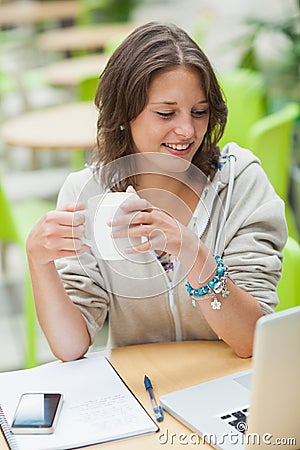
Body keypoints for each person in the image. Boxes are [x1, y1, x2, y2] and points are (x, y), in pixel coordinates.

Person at [26, 22, 287, 362]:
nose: (187, 130)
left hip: (228, 392)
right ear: (124, 115)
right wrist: (38, 261)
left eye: (200, 112)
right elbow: (70, 346)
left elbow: (252, 341)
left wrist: (191, 250)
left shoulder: (240, 182)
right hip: (141, 394)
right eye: (166, 113)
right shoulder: (87, 194)